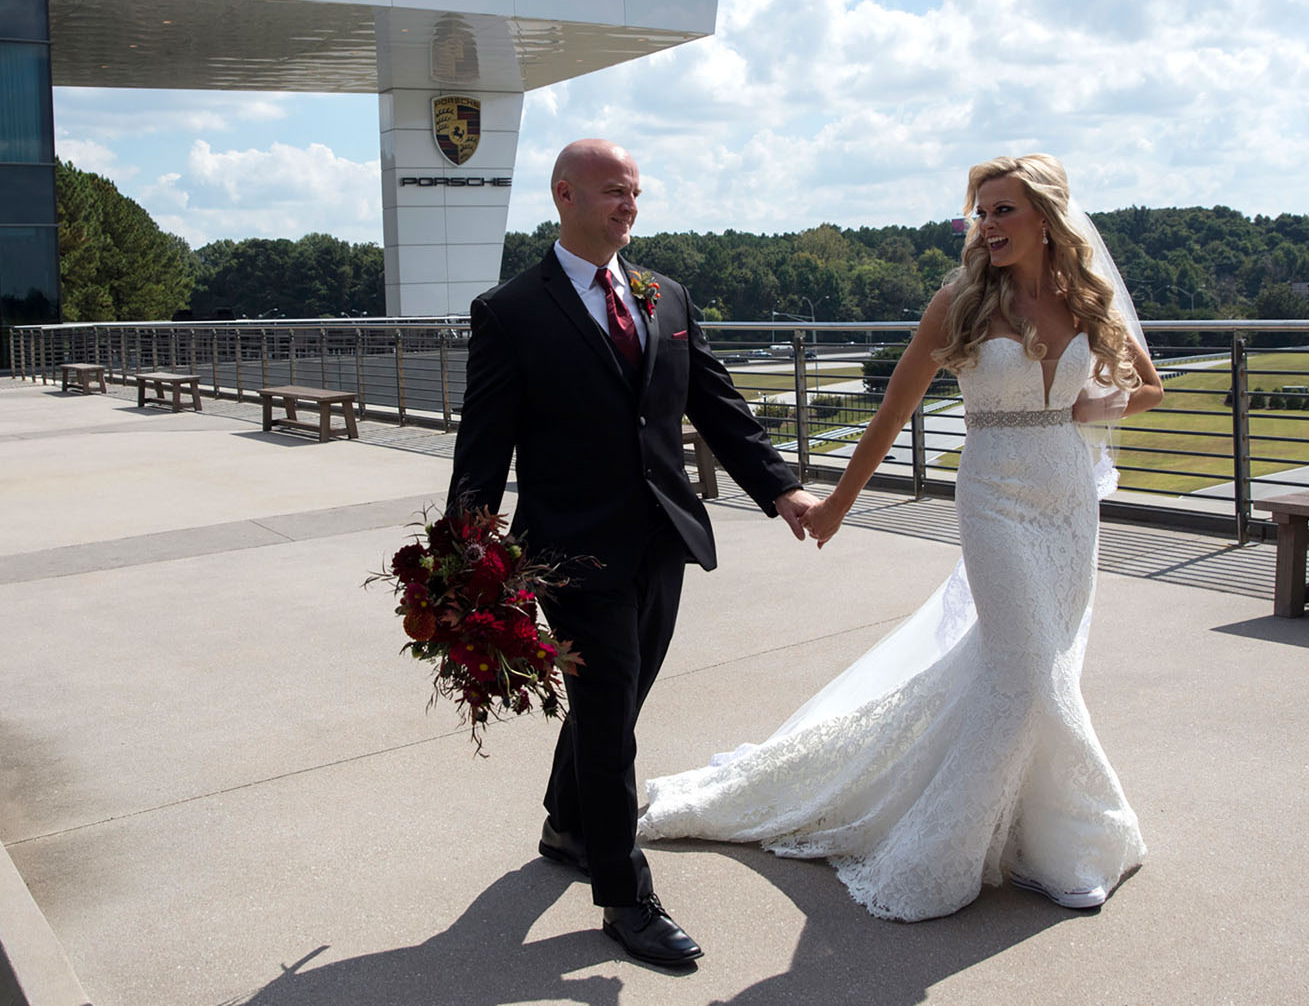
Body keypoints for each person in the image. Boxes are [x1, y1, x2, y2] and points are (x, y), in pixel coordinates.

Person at [637, 153, 1164, 922]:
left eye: (1003, 211)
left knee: (1042, 665)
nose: (987, 226)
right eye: (980, 212)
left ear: (1047, 218)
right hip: (993, 499)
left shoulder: (1088, 296)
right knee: (1023, 670)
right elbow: (892, 412)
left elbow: (1149, 385)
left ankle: (1049, 843)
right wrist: (839, 504)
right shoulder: (959, 303)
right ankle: (959, 853)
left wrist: (1092, 410)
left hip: (1068, 502)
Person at [446, 139, 820, 965]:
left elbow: (716, 403)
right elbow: (482, 448)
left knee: (619, 697)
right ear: (564, 196)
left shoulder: (665, 294)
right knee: (612, 718)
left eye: (637, 194)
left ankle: (567, 821)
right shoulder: (510, 311)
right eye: (615, 193)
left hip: (662, 538)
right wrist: (466, 559)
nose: (630, 207)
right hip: (571, 551)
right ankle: (625, 897)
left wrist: (783, 490)